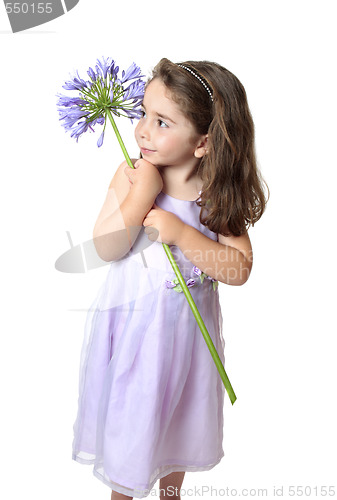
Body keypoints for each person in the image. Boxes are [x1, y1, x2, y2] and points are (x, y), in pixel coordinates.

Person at [72, 58, 268, 500]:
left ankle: (170, 495)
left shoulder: (216, 194)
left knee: (176, 432)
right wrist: (142, 192)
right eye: (143, 113)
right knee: (129, 435)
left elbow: (238, 270)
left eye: (162, 121)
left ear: (202, 143)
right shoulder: (130, 175)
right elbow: (106, 248)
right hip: (133, 340)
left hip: (187, 345)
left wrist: (180, 233)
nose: (142, 130)